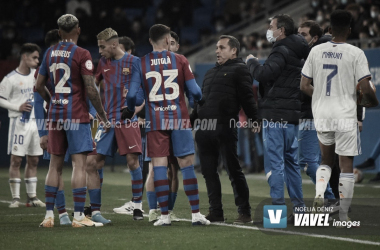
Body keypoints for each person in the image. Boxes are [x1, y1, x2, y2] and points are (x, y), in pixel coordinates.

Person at [123, 24, 210, 226]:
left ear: (151, 40)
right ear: (166, 40)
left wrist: (129, 109)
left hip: (155, 120)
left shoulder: (141, 63)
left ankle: (164, 216)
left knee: (159, 167)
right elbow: (195, 92)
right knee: (186, 166)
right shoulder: (179, 59)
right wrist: (197, 100)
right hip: (179, 118)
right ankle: (196, 214)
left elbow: (133, 96)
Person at [300, 10, 378, 224]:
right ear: (350, 30)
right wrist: (371, 101)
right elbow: (365, 88)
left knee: (325, 160)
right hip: (345, 114)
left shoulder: (316, 51)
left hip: (323, 113)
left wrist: (322, 99)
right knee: (345, 164)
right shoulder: (356, 53)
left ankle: (319, 196)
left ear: (330, 29)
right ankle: (343, 214)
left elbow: (304, 85)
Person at [36, 14, 110, 228]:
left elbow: (39, 85)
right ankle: (78, 217)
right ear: (78, 30)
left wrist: (52, 101)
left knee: (54, 166)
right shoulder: (82, 53)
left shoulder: (49, 53)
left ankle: (49, 216)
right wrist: (102, 117)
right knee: (79, 165)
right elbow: (91, 89)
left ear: (59, 32)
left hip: (56, 116)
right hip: (76, 115)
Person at [246, 14, 309, 218]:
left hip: (275, 115)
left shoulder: (280, 50)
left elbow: (264, 74)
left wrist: (252, 62)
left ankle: (278, 215)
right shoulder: (300, 51)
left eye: (271, 26)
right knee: (291, 164)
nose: (269, 30)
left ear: (281, 30)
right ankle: (299, 210)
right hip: (291, 117)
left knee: (275, 164)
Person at [191, 35, 257, 224]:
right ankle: (216, 211)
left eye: (221, 47)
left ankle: (244, 212)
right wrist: (191, 120)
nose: (217, 51)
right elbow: (201, 102)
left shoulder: (240, 69)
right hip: (205, 129)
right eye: (216, 48)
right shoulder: (210, 73)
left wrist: (254, 119)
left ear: (233, 50)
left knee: (233, 170)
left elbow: (247, 98)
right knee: (208, 172)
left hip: (225, 127)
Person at [94, 28, 145, 220]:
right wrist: (97, 114)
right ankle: (95, 207)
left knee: (133, 162)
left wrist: (133, 107)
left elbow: (141, 92)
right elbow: (92, 86)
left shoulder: (135, 62)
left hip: (126, 120)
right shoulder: (103, 63)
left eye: (102, 46)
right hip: (107, 121)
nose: (100, 50)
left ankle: (137, 206)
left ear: (114, 44)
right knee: (96, 161)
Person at [0, 43, 45, 208]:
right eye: (34, 57)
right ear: (24, 57)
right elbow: (0, 98)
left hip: (36, 123)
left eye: (38, 58)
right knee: (16, 160)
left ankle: (32, 197)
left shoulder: (37, 76)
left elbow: (43, 94)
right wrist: (16, 107)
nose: (37, 61)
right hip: (19, 123)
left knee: (33, 160)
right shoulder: (10, 79)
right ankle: (16, 198)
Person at [297, 21, 336, 202]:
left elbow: (304, 87)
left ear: (314, 38)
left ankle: (328, 197)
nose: (299, 38)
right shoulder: (332, 53)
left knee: (307, 162)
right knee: (326, 161)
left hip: (312, 115)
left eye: (303, 34)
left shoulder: (313, 56)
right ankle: (335, 199)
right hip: (326, 114)